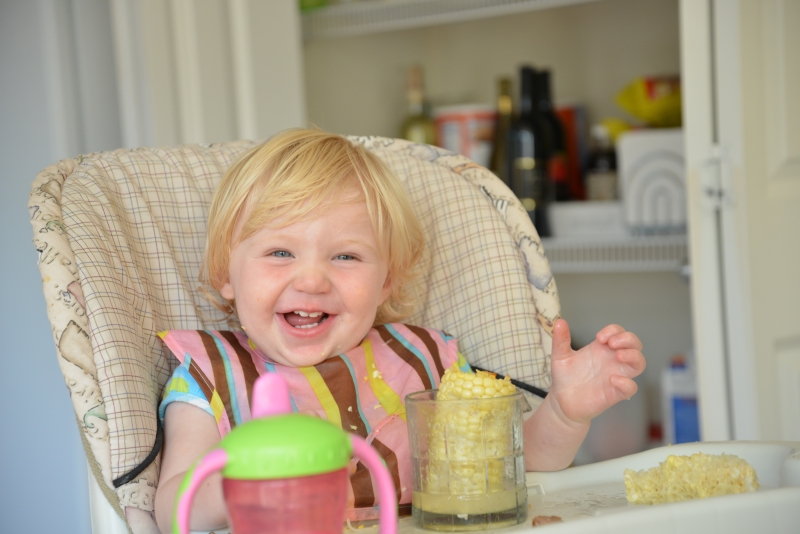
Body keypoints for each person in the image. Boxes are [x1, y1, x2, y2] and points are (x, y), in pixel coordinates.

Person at [153, 128, 645, 533]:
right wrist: (238, 488)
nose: (312, 280)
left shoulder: (427, 363)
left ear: (386, 280)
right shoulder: (209, 379)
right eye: (280, 253)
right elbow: (173, 508)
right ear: (226, 272)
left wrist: (563, 411)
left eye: (346, 256)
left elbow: (513, 470)